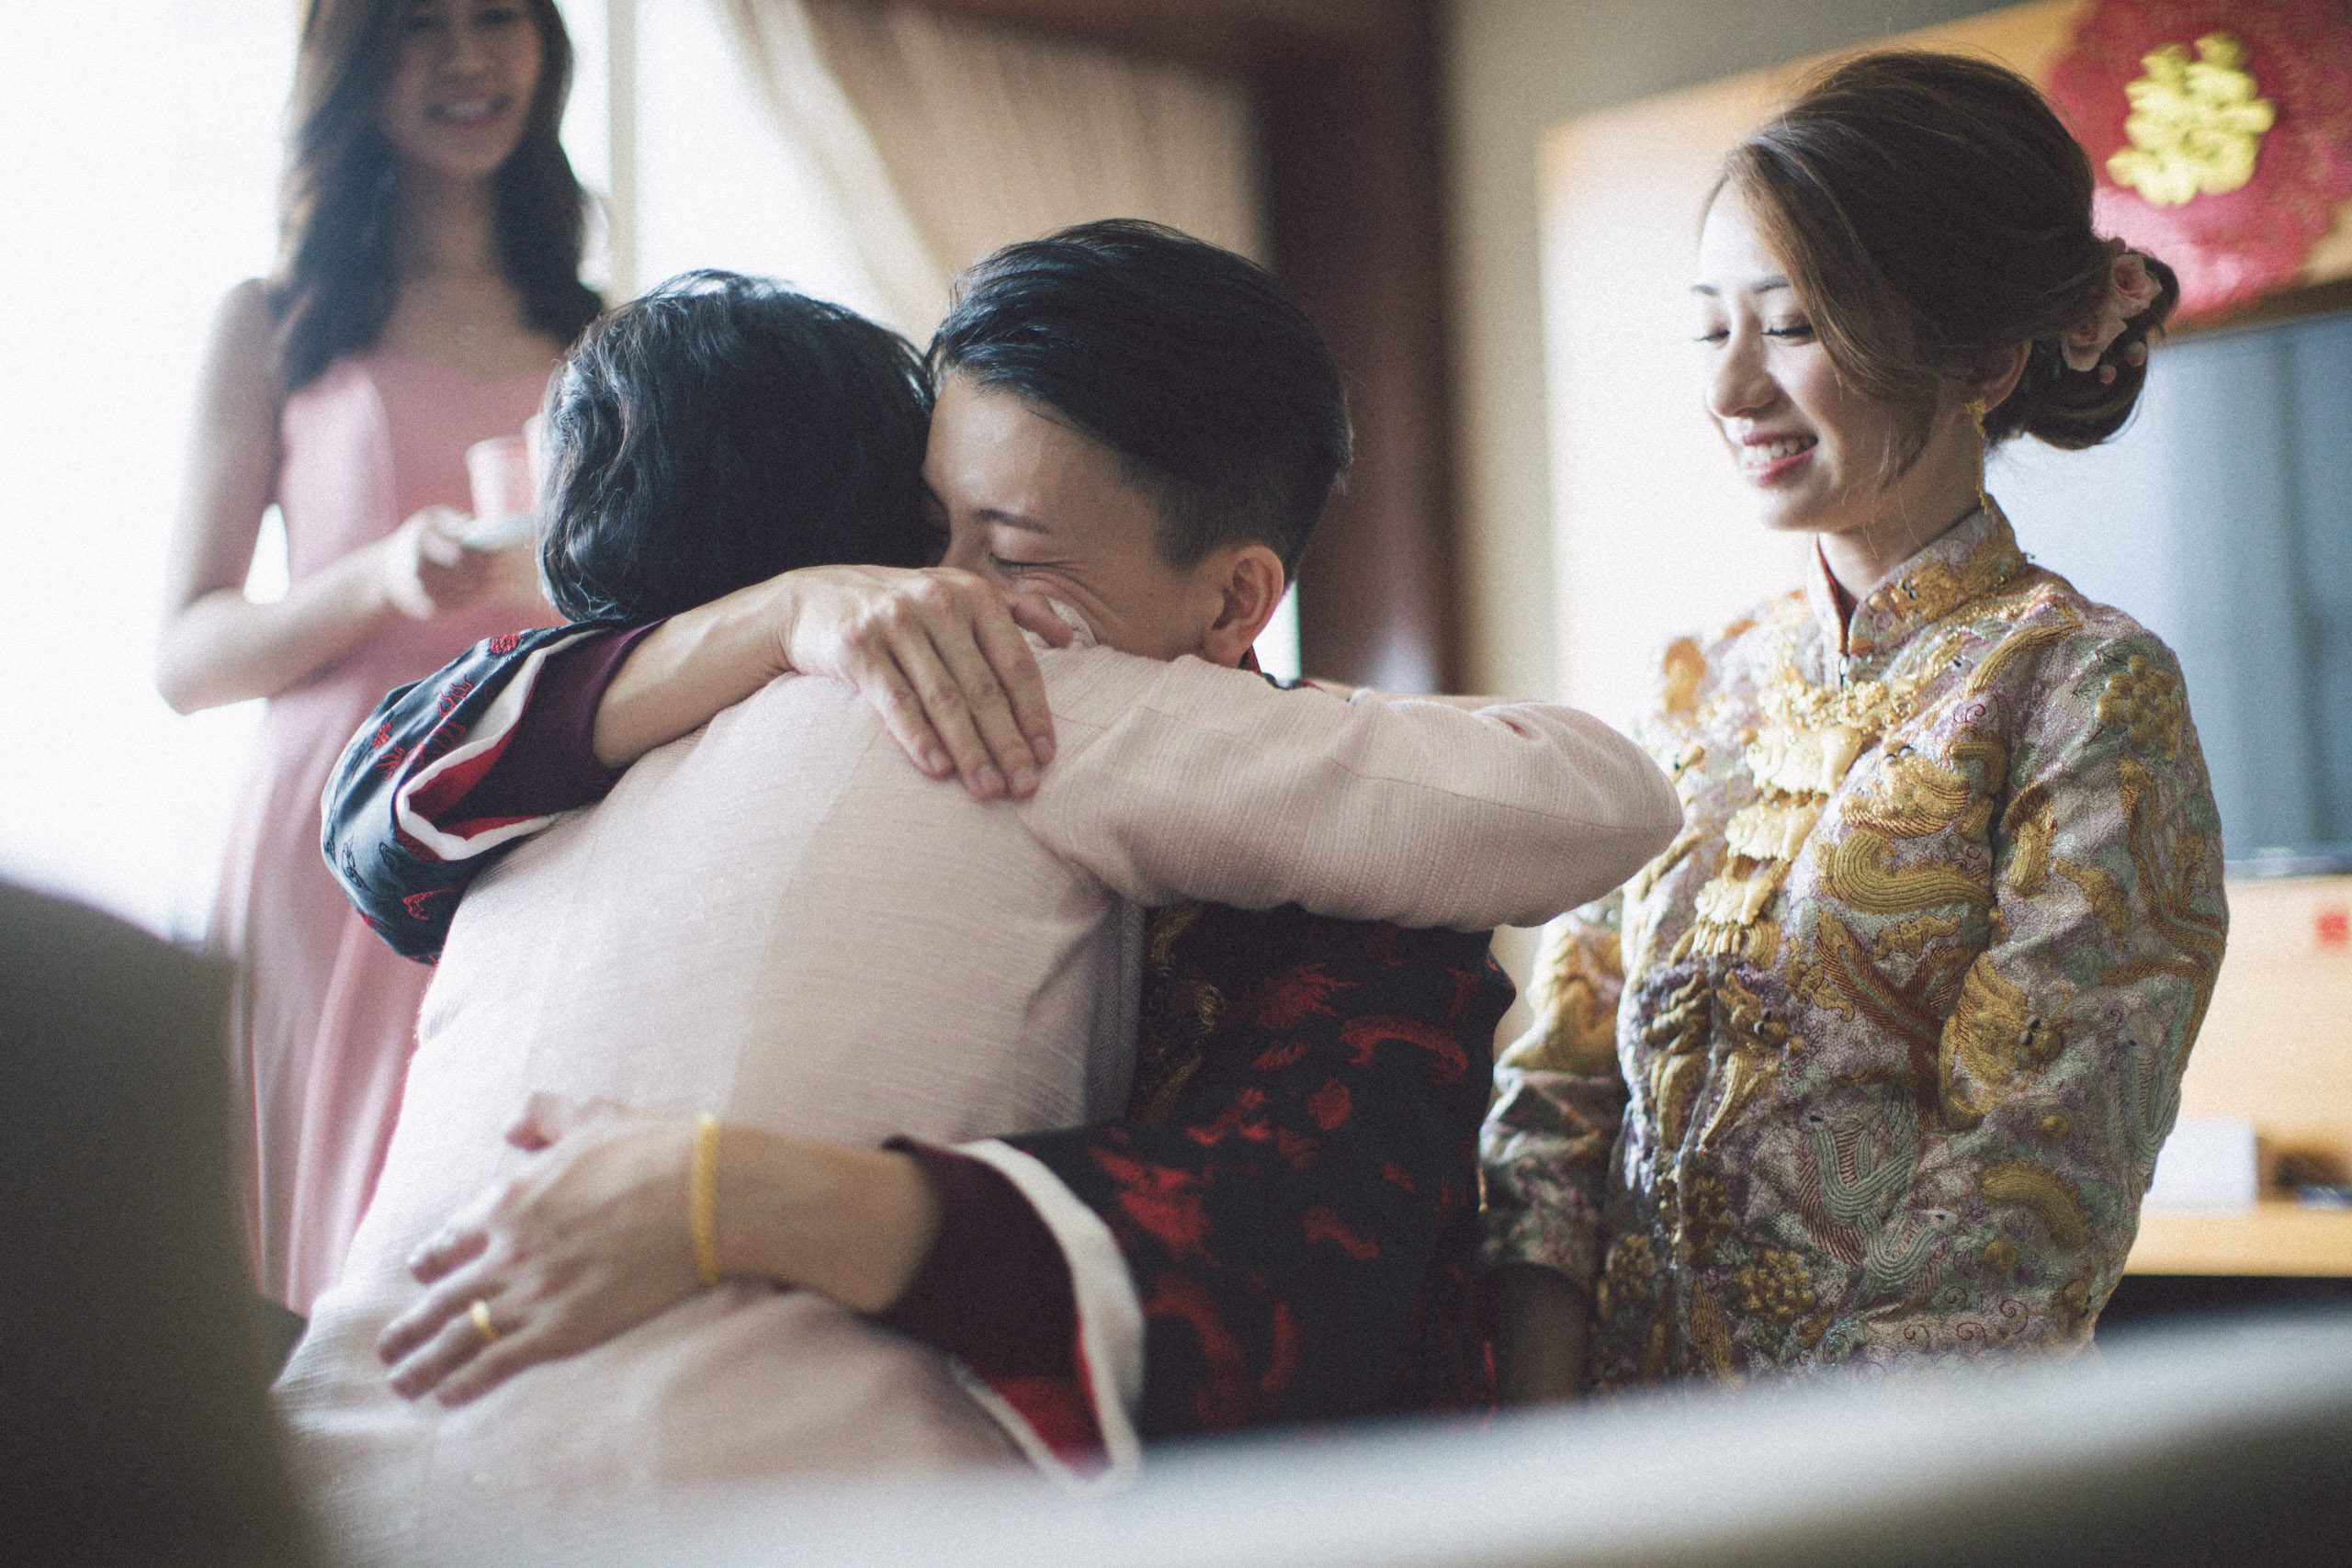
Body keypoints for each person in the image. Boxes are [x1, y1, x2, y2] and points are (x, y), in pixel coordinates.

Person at [277, 263, 1677, 1550]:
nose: (933, 596)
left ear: (1233, 602)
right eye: (916, 531)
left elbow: (1290, 1269)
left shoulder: (560, 779)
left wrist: (746, 1198)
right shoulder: (905, 689)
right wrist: (783, 614)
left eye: (1004, 550)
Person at [1480, 51, 2230, 1396]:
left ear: (1983, 360)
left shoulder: (2084, 692)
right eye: (1712, 328)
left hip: (1889, 1477)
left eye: (1794, 326)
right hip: (1601, 1461)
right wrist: (1541, 1451)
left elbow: (2024, 1196)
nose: (1732, 389)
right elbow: (1560, 1103)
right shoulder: (1687, 688)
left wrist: (1800, 1491)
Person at [154, 0, 604, 1314]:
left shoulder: (601, 330)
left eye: (496, 16)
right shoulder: (274, 322)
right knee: (303, 1270)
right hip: (329, 831)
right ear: (355, 61)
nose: (466, 57)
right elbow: (188, 653)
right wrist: (376, 576)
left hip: (536, 804)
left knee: (479, 1231)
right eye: (418, 26)